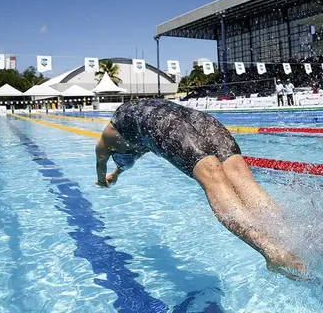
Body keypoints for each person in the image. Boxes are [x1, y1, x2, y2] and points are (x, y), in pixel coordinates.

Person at [94, 99, 306, 279]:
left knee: (214, 180)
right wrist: (117, 174)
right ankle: (290, 238)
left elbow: (101, 163)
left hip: (167, 125)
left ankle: (273, 252)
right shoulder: (134, 127)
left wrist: (102, 179)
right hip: (200, 119)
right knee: (242, 177)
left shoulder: (105, 143)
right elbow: (136, 151)